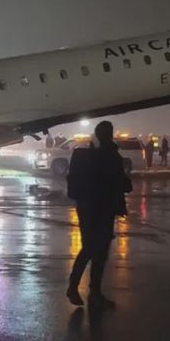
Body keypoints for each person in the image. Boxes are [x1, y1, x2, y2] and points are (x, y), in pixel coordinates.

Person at [66, 121, 132, 308]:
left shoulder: (86, 156)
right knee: (99, 251)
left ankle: (76, 286)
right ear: (110, 134)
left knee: (88, 248)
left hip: (86, 207)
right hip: (103, 209)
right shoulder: (111, 156)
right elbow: (123, 184)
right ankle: (93, 292)